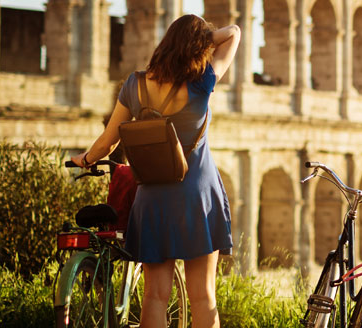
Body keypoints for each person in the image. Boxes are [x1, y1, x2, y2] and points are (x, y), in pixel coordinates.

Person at [70, 14, 240, 328]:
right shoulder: (203, 81)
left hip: (152, 200)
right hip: (197, 197)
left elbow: (108, 143)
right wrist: (205, 38)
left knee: (154, 297)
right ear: (197, 46)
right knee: (203, 297)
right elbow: (234, 33)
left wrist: (86, 158)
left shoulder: (135, 84)